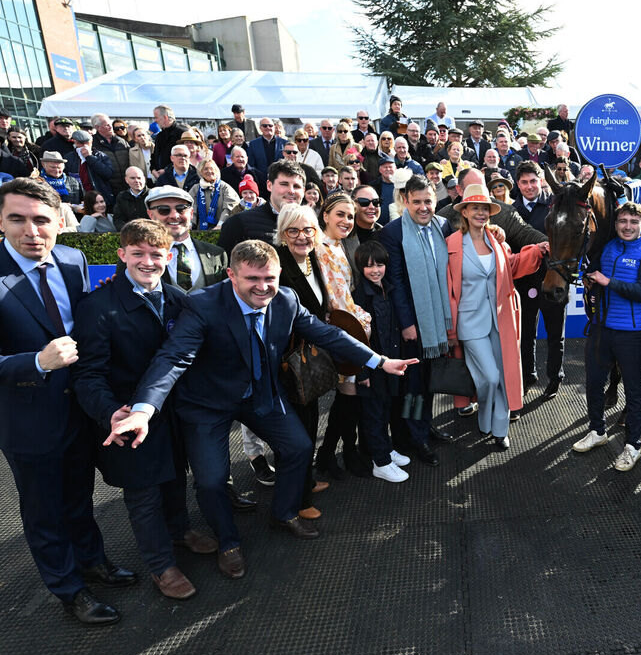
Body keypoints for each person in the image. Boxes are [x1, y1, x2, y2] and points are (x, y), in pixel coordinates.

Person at [106, 240, 418, 576]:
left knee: (298, 448)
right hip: (208, 403)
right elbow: (173, 357)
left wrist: (379, 361)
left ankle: (283, 513)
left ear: (279, 274)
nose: (262, 287)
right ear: (231, 275)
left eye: (269, 278)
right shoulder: (203, 304)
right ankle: (228, 541)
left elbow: (326, 334)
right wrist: (143, 409)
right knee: (210, 481)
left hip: (261, 395)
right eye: (252, 279)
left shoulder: (285, 299)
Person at [0, 178, 135, 625]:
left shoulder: (73, 259)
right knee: (44, 509)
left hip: (77, 409)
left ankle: (93, 560)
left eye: (41, 220)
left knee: (79, 495)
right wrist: (38, 362)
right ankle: (69, 589)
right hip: (25, 420)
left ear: (60, 223)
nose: (31, 231)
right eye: (18, 219)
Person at [71, 220, 216, 599]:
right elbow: (88, 374)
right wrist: (110, 413)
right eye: (138, 253)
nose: (147, 261)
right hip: (126, 417)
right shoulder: (98, 307)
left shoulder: (178, 297)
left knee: (174, 477)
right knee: (144, 493)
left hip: (172, 414)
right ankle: (161, 565)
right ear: (122, 255)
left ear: (168, 257)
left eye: (156, 254)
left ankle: (180, 530)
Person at [444, 184, 547, 450]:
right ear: (464, 211)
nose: (480, 213)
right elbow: (446, 288)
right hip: (468, 322)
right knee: (489, 376)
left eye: (484, 209)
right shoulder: (451, 245)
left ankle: (499, 428)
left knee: (501, 375)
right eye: (475, 208)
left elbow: (510, 268)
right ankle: (485, 415)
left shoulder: (497, 242)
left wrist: (536, 250)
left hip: (500, 319)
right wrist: (449, 328)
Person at [572, 202, 641, 470]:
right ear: (616, 223)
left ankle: (633, 445)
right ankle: (597, 430)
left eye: (634, 222)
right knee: (593, 382)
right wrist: (589, 279)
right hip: (600, 328)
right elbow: (590, 272)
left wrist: (607, 282)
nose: (627, 227)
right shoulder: (608, 247)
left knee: (634, 390)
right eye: (623, 221)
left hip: (632, 333)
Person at [378, 174, 454, 466]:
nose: (423, 207)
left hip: (437, 321)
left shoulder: (443, 226)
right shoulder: (393, 233)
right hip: (412, 325)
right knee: (413, 386)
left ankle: (426, 425)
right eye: (417, 202)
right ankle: (415, 436)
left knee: (428, 381)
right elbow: (394, 281)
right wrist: (408, 323)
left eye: (428, 201)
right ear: (405, 201)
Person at [273, 204, 339, 516]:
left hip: (308, 357)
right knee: (298, 433)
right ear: (282, 234)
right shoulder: (278, 263)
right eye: (294, 231)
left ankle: (307, 481)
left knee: (311, 420)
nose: (302, 237)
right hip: (287, 361)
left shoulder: (313, 258)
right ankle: (298, 502)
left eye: (308, 230)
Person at [313, 193, 374, 479]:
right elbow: (338, 300)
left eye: (350, 216)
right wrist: (365, 322)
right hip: (340, 329)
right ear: (324, 215)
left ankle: (331, 454)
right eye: (340, 214)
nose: (347, 221)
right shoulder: (321, 248)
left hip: (347, 327)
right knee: (348, 395)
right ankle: (339, 454)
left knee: (349, 395)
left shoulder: (339, 246)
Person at [352, 241, 412, 482]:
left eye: (379, 264)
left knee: (386, 409)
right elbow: (356, 338)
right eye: (368, 267)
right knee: (374, 415)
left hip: (389, 361)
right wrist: (362, 372)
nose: (375, 270)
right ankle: (381, 462)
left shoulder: (389, 287)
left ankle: (384, 450)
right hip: (372, 365)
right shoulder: (360, 296)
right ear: (360, 268)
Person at [509, 162, 565, 398]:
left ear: (541, 180)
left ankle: (555, 376)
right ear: (518, 185)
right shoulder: (511, 211)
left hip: (553, 280)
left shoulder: (556, 205)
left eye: (533, 180)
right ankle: (528, 374)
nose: (529, 186)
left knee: (555, 333)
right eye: (524, 182)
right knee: (525, 332)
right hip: (524, 281)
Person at [218, 159, 306, 254]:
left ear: (304, 191)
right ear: (269, 185)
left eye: (297, 186)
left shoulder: (311, 226)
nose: (291, 191)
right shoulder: (239, 223)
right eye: (284, 184)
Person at [193, 160, 240, 230]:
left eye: (212, 168)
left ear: (216, 170)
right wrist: (190, 224)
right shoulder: (196, 189)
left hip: (224, 229)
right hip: (201, 231)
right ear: (200, 172)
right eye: (205, 169)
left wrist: (220, 224)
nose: (209, 171)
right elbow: (191, 209)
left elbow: (229, 208)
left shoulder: (225, 187)